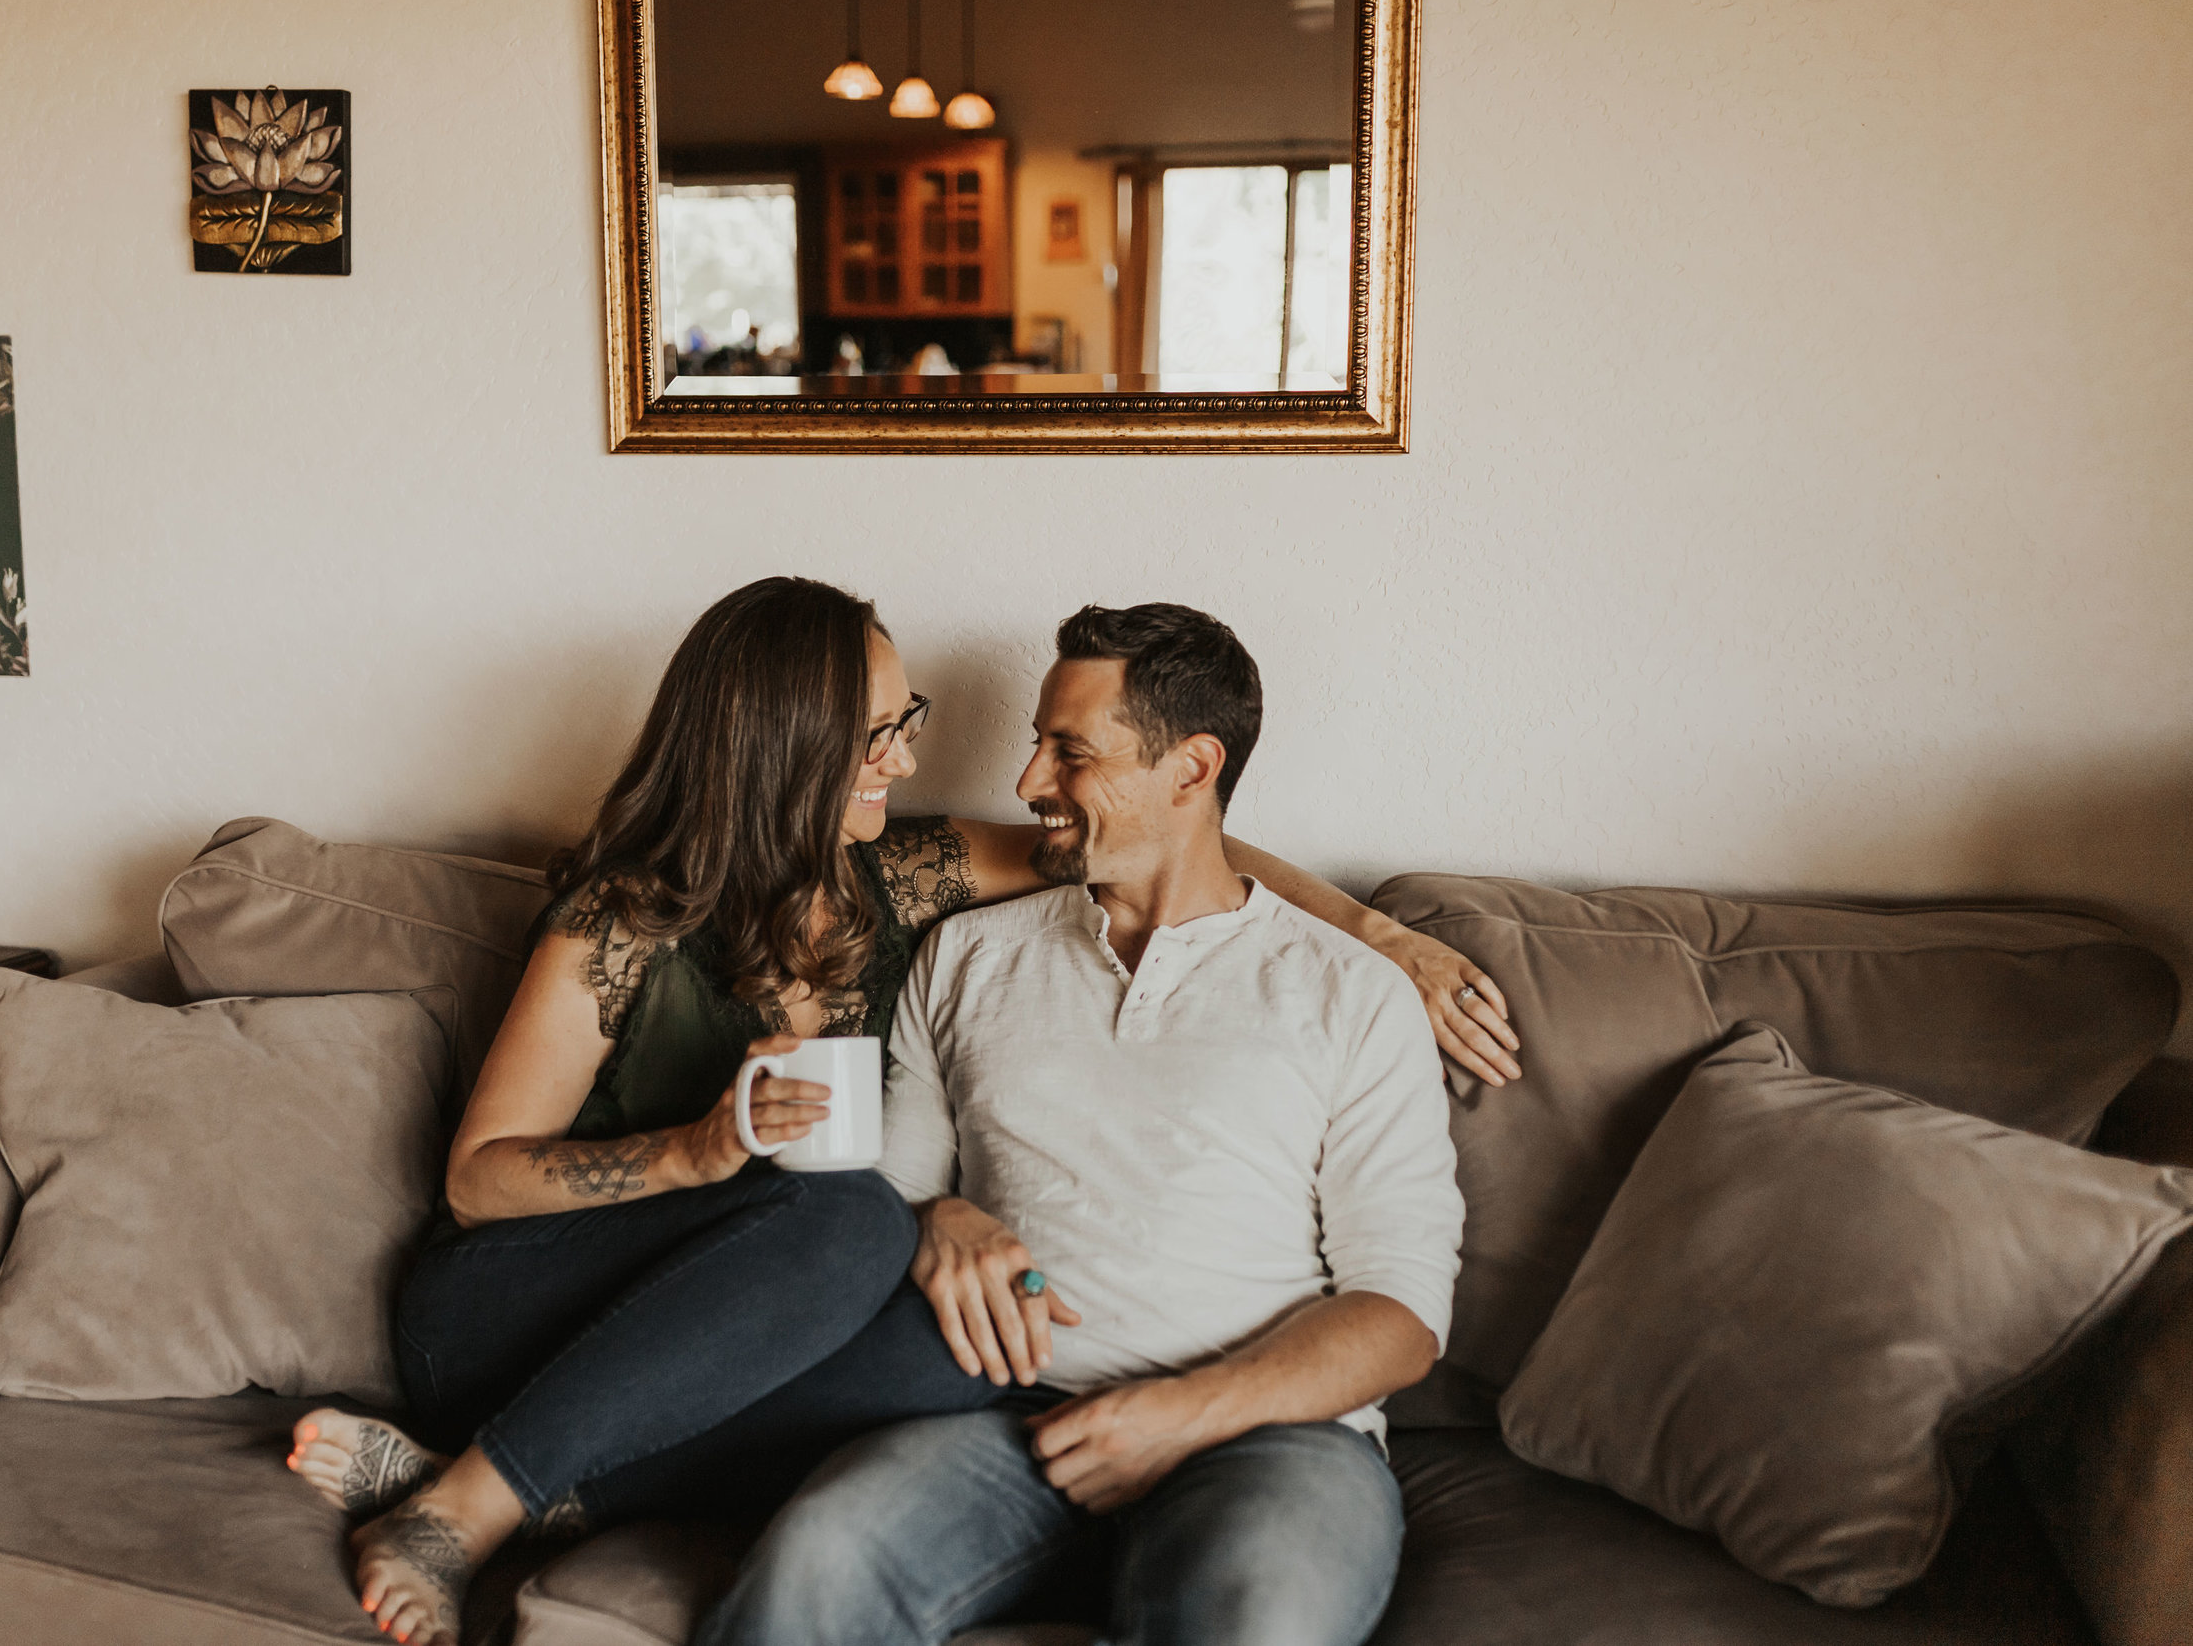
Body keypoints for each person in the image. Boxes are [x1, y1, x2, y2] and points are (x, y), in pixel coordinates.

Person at [282, 579, 1510, 1646]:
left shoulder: (913, 882)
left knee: (961, 1346)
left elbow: (1170, 847)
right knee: (858, 1254)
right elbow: (486, 1180)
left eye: (1061, 752)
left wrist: (1377, 933)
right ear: (786, 747)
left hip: (1195, 1416)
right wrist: (763, 1166)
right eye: (883, 731)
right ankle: (473, 1499)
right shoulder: (655, 926)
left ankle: (542, 1485)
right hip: (537, 1306)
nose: (940, 761)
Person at [696, 603, 1467, 1646]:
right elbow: (887, 1195)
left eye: (1070, 753)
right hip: (1008, 1423)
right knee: (813, 1560)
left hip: (1274, 1442)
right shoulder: (967, 956)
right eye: (1036, 742)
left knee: (1258, 1621)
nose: (1025, 784)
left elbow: (1401, 1311)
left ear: (1192, 769)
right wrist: (938, 1218)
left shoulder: (1351, 993)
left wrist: (1175, 1414)